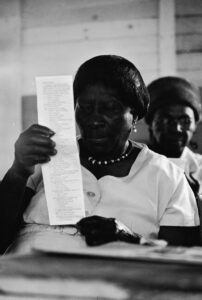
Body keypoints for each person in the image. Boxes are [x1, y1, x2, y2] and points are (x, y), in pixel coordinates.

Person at [4, 55, 201, 254]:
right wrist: (19, 169)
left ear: (135, 116)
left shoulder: (167, 177)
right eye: (86, 108)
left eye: (111, 108)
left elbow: (181, 260)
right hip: (22, 278)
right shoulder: (44, 157)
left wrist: (130, 239)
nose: (95, 120)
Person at [145, 76, 202, 198]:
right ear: (151, 124)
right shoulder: (135, 166)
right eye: (166, 120)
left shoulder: (200, 168)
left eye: (185, 121)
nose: (176, 128)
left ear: (195, 125)